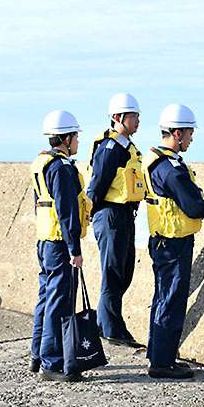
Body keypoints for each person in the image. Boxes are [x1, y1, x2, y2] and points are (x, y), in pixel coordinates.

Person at [142, 103, 204, 379]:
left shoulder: (156, 160)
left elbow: (183, 200)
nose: (192, 138)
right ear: (177, 132)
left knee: (163, 299)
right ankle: (162, 364)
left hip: (164, 241)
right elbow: (192, 208)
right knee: (171, 301)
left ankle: (161, 357)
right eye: (189, 133)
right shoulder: (171, 167)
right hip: (173, 244)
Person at [30, 109, 92, 381]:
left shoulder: (42, 163)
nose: (78, 141)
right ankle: (53, 363)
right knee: (58, 302)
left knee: (45, 298)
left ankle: (38, 354)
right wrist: (74, 249)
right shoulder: (63, 168)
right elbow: (67, 212)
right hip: (59, 244)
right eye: (76, 136)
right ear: (66, 138)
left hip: (45, 240)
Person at [87, 93, 146, 348]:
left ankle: (107, 323)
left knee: (124, 272)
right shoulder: (110, 148)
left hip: (124, 215)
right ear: (117, 118)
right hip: (110, 215)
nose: (137, 120)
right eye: (133, 116)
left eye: (137, 116)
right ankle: (112, 329)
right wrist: (92, 214)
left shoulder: (127, 147)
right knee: (113, 274)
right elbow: (97, 184)